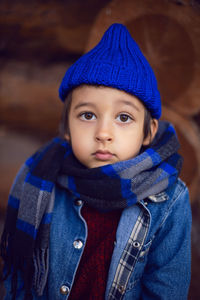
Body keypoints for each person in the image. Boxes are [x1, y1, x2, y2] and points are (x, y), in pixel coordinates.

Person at [1, 23, 191, 300]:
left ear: (148, 131)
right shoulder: (42, 180)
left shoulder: (170, 200)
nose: (103, 134)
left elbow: (166, 291)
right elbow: (19, 281)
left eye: (123, 118)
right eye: (88, 115)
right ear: (66, 127)